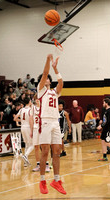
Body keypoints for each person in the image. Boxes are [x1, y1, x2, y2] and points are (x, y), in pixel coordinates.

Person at [37, 54, 66, 194]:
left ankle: (56, 180)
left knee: (57, 152)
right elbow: (44, 73)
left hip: (55, 122)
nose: (48, 79)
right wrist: (48, 60)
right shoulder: (41, 90)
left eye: (49, 78)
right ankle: (42, 181)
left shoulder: (55, 92)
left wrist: (55, 68)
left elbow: (61, 83)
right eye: (47, 78)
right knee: (45, 152)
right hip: (46, 121)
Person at [14, 96, 34, 167]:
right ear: (29, 102)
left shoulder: (21, 109)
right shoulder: (30, 110)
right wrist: (32, 130)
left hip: (22, 127)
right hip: (28, 127)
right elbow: (31, 121)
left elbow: (15, 118)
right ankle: (25, 155)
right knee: (32, 144)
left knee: (27, 144)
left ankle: (26, 162)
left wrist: (21, 120)